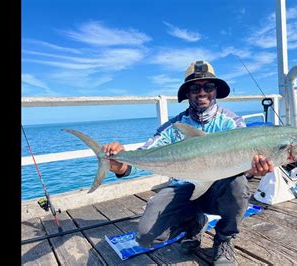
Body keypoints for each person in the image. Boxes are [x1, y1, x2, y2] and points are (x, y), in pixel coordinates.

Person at [103, 60, 274, 265]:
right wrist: (119, 163)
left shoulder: (232, 123)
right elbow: (139, 157)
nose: (202, 92)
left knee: (238, 184)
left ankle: (224, 240)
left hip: (218, 188)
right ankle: (193, 223)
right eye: (195, 87)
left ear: (216, 91)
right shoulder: (175, 126)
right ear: (187, 93)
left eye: (208, 86)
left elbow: (243, 167)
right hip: (182, 189)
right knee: (146, 236)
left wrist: (254, 171)